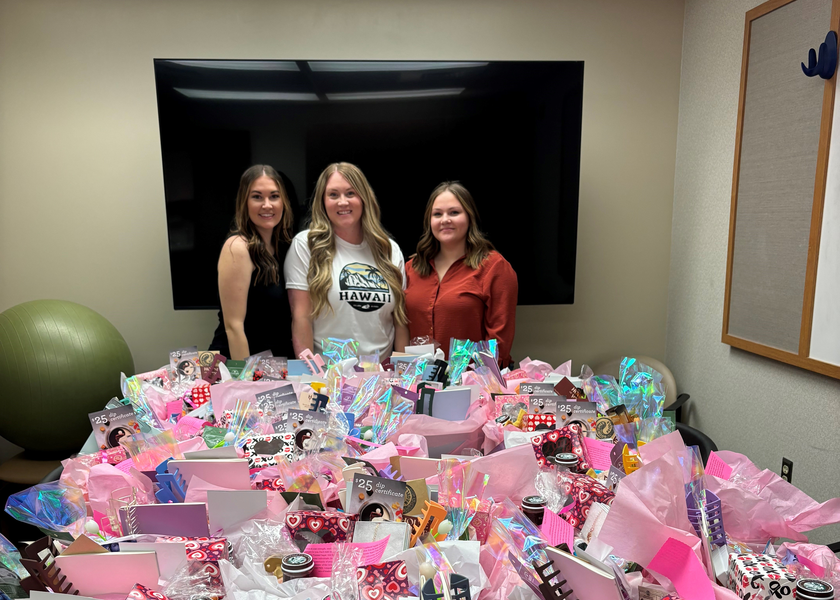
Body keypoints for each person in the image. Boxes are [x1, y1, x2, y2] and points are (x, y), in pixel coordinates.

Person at [284, 162, 408, 358]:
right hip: (327, 378)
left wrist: (403, 375)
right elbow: (301, 318)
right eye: (333, 195)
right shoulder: (306, 245)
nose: (343, 202)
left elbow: (400, 320)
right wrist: (311, 376)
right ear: (323, 202)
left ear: (364, 198)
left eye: (351, 193)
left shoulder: (389, 249)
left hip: (380, 378)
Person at [405, 181, 518, 365]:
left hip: (473, 382)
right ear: (429, 221)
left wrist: (480, 381)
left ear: (469, 217)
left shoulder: (494, 267)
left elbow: (499, 341)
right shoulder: (412, 268)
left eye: (454, 212)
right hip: (420, 381)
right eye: (437, 214)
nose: (445, 220)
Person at [209, 165, 294, 360]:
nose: (267, 205)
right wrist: (246, 384)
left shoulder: (282, 248)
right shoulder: (238, 247)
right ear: (244, 203)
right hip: (238, 367)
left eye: (274, 196)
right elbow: (233, 327)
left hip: (270, 368)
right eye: (257, 197)